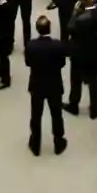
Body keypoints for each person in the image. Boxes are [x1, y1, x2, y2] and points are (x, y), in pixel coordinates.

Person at [24, 14, 68, 156]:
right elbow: (62, 63)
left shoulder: (30, 45)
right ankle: (58, 142)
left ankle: (35, 144)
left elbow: (28, 63)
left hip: (37, 84)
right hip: (54, 83)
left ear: (37, 29)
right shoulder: (58, 45)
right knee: (56, 114)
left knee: (36, 115)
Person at [63, 2, 97, 120]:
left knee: (76, 81)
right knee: (92, 81)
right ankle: (94, 109)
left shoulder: (78, 20)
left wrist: (74, 13)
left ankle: (74, 105)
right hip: (93, 52)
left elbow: (69, 28)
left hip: (78, 54)